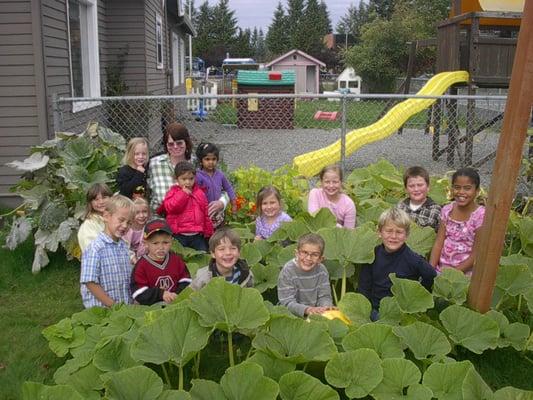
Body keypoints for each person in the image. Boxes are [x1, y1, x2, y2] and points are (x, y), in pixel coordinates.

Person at [357, 208, 437, 320]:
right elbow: (364, 287)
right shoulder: (372, 255)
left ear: (407, 235)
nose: (393, 236)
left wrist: (419, 294)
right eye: (389, 231)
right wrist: (365, 311)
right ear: (379, 232)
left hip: (401, 313)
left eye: (399, 232)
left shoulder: (413, 258)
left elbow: (431, 274)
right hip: (375, 309)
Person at [80, 195, 135, 308]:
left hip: (123, 308)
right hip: (101, 311)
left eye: (129, 223)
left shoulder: (124, 246)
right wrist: (112, 305)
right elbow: (90, 282)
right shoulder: (95, 248)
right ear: (106, 216)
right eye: (121, 220)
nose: (125, 225)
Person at [430, 167, 485, 274]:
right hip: (441, 270)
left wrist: (453, 275)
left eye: (467, 188)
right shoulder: (447, 210)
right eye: (457, 187)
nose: (461, 192)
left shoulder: (481, 215)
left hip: (465, 274)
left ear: (477, 191)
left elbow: (476, 254)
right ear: (452, 189)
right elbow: (438, 243)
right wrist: (430, 269)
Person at [131, 219, 191, 305]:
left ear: (171, 241)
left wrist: (177, 293)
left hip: (175, 305)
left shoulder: (176, 260)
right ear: (145, 243)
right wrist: (160, 294)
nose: (161, 247)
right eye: (155, 243)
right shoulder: (141, 266)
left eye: (165, 242)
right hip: (150, 311)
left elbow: (186, 280)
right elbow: (138, 293)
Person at [157, 161, 213, 251]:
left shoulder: (200, 193)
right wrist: (183, 194)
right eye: (184, 179)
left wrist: (208, 231)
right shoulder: (173, 192)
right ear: (176, 179)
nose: (188, 182)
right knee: (178, 258)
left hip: (197, 235)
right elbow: (171, 208)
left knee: (202, 257)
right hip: (179, 235)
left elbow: (205, 213)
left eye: (191, 179)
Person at [277, 233, 334, 317]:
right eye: (304, 252)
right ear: (297, 253)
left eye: (314, 255)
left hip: (315, 314)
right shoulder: (288, 271)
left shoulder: (322, 270)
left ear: (320, 259)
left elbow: (324, 296)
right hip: (290, 316)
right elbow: (287, 302)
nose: (308, 258)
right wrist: (307, 310)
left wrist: (325, 308)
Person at [195, 142, 237, 228]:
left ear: (217, 160)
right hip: (205, 212)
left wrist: (233, 203)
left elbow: (228, 187)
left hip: (219, 211)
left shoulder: (220, 175)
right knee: (206, 233)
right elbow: (195, 194)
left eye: (214, 159)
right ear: (201, 161)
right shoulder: (198, 176)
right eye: (207, 159)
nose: (211, 162)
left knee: (220, 232)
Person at [397, 166, 441, 231]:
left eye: (420, 185)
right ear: (406, 189)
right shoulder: (400, 206)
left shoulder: (435, 210)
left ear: (428, 187)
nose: (416, 189)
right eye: (411, 186)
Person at [78, 183, 113, 253]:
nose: (101, 202)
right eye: (96, 199)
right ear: (90, 203)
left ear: (111, 198)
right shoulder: (88, 226)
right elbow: (92, 251)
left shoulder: (115, 219)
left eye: (104, 197)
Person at [122, 197, 150, 263]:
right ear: (131, 214)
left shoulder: (149, 227)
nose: (141, 215)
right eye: (137, 213)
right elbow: (124, 246)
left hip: (145, 256)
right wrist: (133, 258)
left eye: (144, 212)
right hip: (128, 257)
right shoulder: (127, 228)